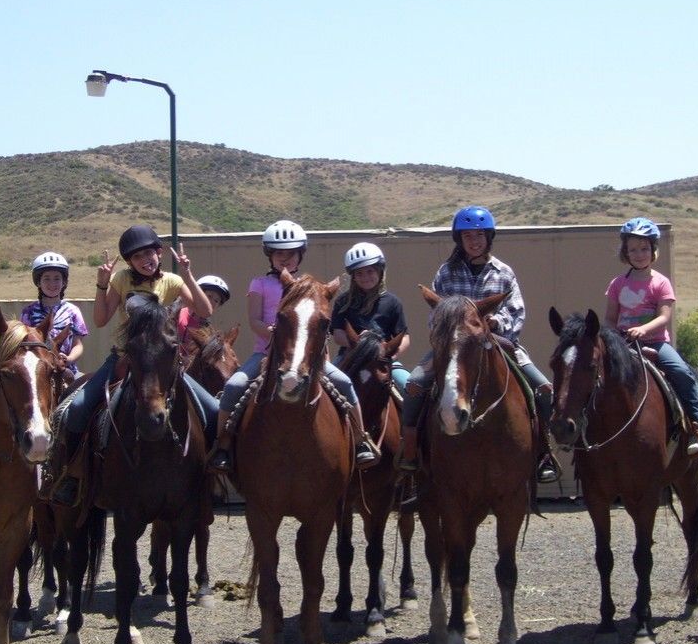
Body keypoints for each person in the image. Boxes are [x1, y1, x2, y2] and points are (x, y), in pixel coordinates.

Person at [51, 225, 221, 504]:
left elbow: (205, 311)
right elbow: (101, 319)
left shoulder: (173, 282)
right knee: (77, 410)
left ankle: (210, 474)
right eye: (137, 256)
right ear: (130, 262)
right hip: (124, 359)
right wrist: (102, 284)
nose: (145, 260)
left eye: (149, 253)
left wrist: (188, 275)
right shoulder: (120, 281)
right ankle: (72, 475)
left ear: (158, 252)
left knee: (214, 411)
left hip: (165, 366)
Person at [397, 206, 559, 493]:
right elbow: (435, 315)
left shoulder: (504, 273)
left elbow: (517, 311)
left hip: (498, 342)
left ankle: (544, 453)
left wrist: (497, 321)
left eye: (480, 235)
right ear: (459, 239)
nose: (474, 241)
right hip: (454, 346)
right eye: (468, 235)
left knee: (544, 388)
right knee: (413, 384)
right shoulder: (446, 273)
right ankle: (410, 451)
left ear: (489, 237)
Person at [207, 220, 380, 472]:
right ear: (270, 256)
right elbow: (254, 320)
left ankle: (360, 439)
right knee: (234, 386)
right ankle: (222, 445)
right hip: (265, 352)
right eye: (279, 253)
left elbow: (316, 327)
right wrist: (273, 333)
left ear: (300, 255)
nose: (284, 259)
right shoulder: (260, 284)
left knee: (344, 383)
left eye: (290, 254)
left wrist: (324, 356)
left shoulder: (311, 286)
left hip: (307, 357)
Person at [604, 216, 698, 456]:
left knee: (681, 372)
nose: (639, 254)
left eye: (644, 248)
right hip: (623, 343)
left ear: (653, 250)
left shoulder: (661, 283)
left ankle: (696, 425)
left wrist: (643, 329)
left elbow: (664, 316)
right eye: (633, 249)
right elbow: (610, 318)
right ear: (625, 252)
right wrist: (612, 335)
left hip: (656, 342)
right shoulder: (617, 284)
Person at [330, 242, 411, 393]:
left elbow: (404, 337)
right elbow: (338, 334)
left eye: (370, 271)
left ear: (380, 271)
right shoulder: (343, 301)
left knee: (410, 386)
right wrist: (359, 344)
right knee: (326, 385)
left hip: (383, 359)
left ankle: (412, 418)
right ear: (353, 276)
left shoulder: (393, 302)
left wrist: (391, 355)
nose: (365, 277)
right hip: (349, 357)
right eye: (359, 273)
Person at [20, 252, 88, 376]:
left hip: (67, 370)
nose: (52, 284)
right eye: (47, 279)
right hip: (37, 372)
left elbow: (78, 345)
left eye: (57, 278)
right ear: (38, 282)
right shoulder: (28, 312)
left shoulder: (73, 311)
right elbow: (23, 345)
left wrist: (69, 359)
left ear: (64, 282)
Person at [178, 274, 230, 344]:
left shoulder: (209, 332)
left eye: (216, 301)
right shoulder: (175, 314)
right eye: (209, 296)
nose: (212, 302)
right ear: (197, 294)